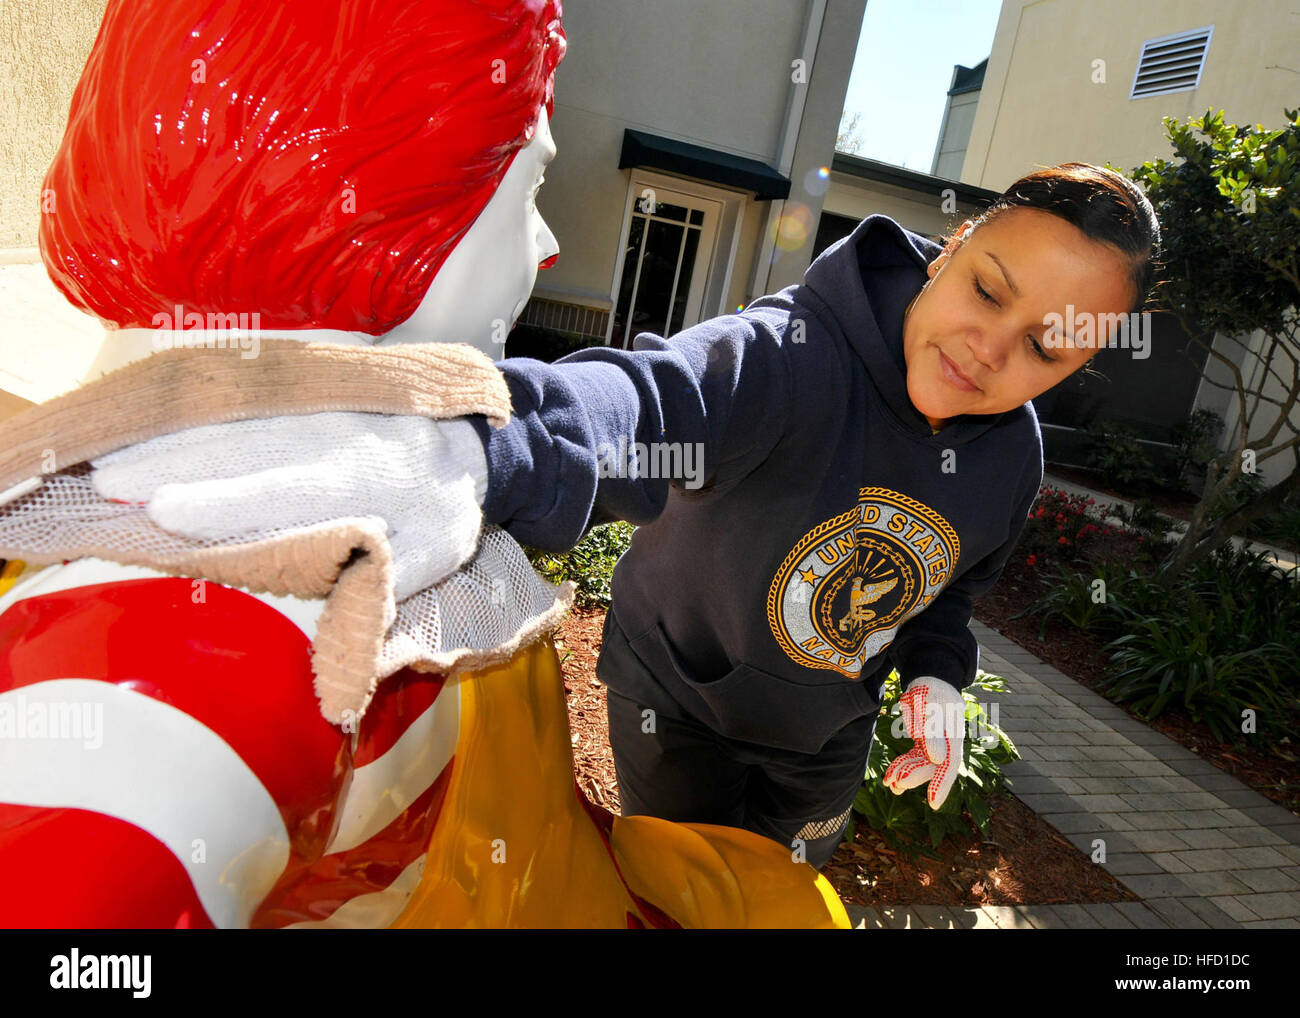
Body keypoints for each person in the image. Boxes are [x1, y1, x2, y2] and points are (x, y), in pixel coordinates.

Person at [93, 159, 1160, 873]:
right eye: (986, 289)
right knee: (665, 888)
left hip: (823, 742)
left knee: (763, 903)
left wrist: (934, 670)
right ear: (952, 244)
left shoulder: (1010, 460)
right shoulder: (787, 359)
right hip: (676, 705)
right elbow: (647, 403)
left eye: (1045, 349)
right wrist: (482, 446)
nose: (991, 348)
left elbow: (950, 592)